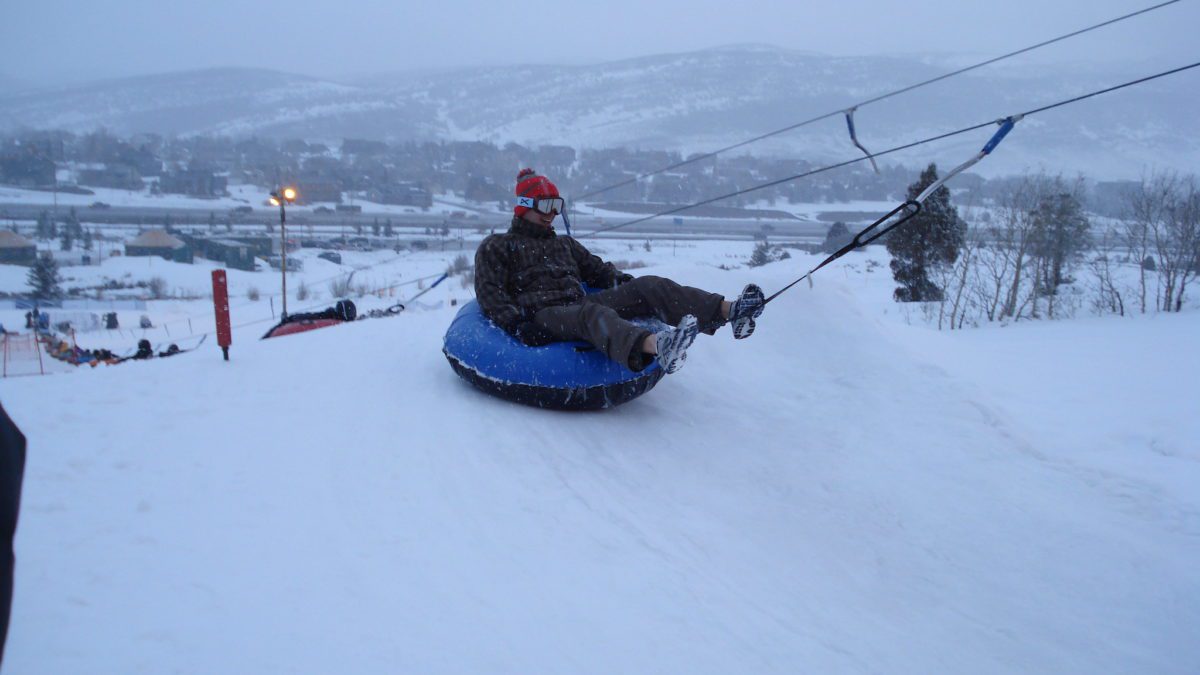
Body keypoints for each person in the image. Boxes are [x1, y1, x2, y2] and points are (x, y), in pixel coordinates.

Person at [474, 168, 765, 374]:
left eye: (556, 205)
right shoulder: (498, 246)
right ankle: (657, 345)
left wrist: (628, 287)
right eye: (546, 205)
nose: (552, 213)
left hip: (578, 304)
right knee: (590, 315)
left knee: (648, 285)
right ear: (524, 205)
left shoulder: (565, 245)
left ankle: (731, 311)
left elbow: (599, 272)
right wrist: (517, 325)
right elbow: (491, 294)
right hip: (543, 314)